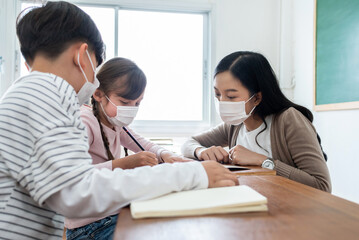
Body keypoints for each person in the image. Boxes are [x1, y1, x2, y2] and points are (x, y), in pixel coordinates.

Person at [0, 2, 238, 239]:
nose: (93, 80)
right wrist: (193, 175)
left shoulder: (29, 93)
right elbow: (79, 192)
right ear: (83, 56)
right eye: (95, 66)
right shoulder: (51, 94)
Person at [64, 57, 193, 238]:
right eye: (125, 102)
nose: (131, 109)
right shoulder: (84, 122)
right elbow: (72, 177)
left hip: (112, 213)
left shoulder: (114, 121)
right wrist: (125, 163)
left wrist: (166, 154)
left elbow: (142, 143)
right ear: (99, 94)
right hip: (88, 227)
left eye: (137, 103)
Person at [182, 51, 331, 192]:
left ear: (256, 98)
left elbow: (321, 185)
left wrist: (262, 161)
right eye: (217, 94)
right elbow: (188, 143)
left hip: (287, 210)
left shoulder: (288, 119)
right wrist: (201, 151)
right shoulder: (235, 125)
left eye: (231, 96)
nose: (221, 102)